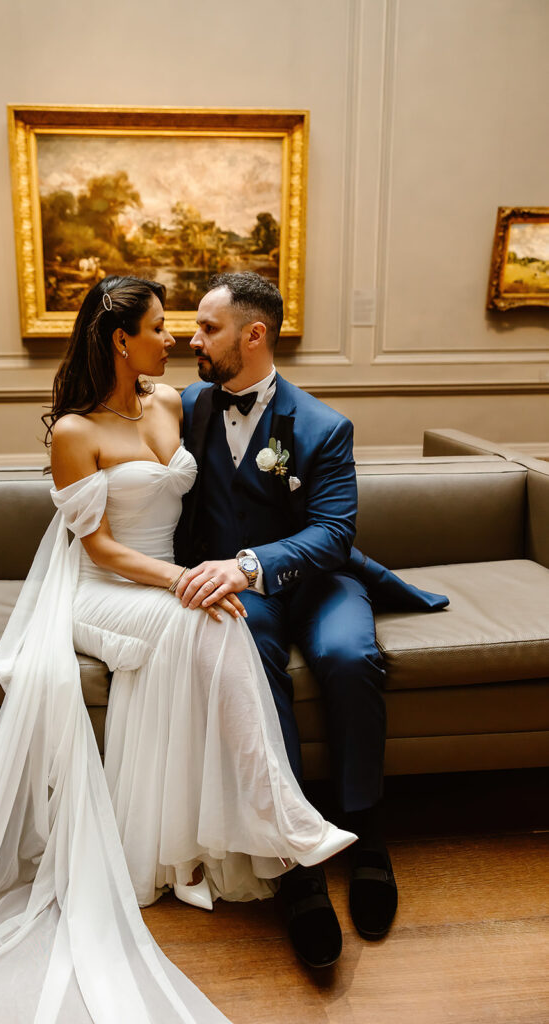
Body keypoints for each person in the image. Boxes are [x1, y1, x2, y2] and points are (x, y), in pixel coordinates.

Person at [0, 275, 355, 1024]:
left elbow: (243, 454)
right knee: (214, 617)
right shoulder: (74, 431)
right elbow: (94, 545)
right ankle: (285, 822)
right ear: (121, 339)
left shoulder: (174, 404)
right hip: (103, 587)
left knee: (216, 619)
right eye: (162, 328)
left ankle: (262, 822)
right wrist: (180, 580)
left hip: (164, 581)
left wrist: (202, 576)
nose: (177, 340)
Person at [175, 271, 447, 969]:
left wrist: (248, 563)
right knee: (251, 667)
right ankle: (295, 862)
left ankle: (365, 829)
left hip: (321, 582)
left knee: (350, 659)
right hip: (245, 596)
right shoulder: (183, 408)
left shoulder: (323, 426)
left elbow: (332, 532)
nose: (192, 337)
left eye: (207, 327)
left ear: (253, 334)